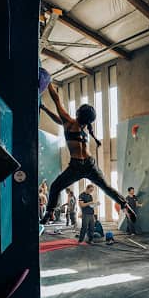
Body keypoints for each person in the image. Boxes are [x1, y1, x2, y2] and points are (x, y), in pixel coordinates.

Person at [39, 81, 136, 226]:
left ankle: (49, 211)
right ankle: (124, 205)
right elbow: (60, 121)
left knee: (55, 187)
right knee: (106, 187)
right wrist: (45, 109)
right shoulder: (83, 128)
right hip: (90, 164)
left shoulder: (70, 122)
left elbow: (56, 99)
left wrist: (49, 82)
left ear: (78, 113)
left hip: (76, 166)